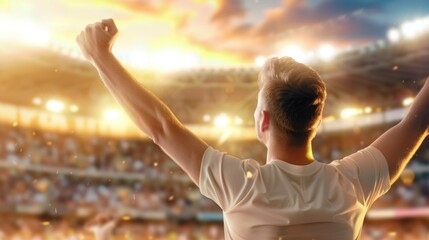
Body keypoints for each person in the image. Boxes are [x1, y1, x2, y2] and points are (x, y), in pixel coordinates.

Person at [76, 19, 429, 240]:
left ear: (263, 121)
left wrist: (101, 57)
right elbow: (417, 120)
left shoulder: (242, 186)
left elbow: (162, 127)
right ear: (316, 123)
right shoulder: (353, 183)